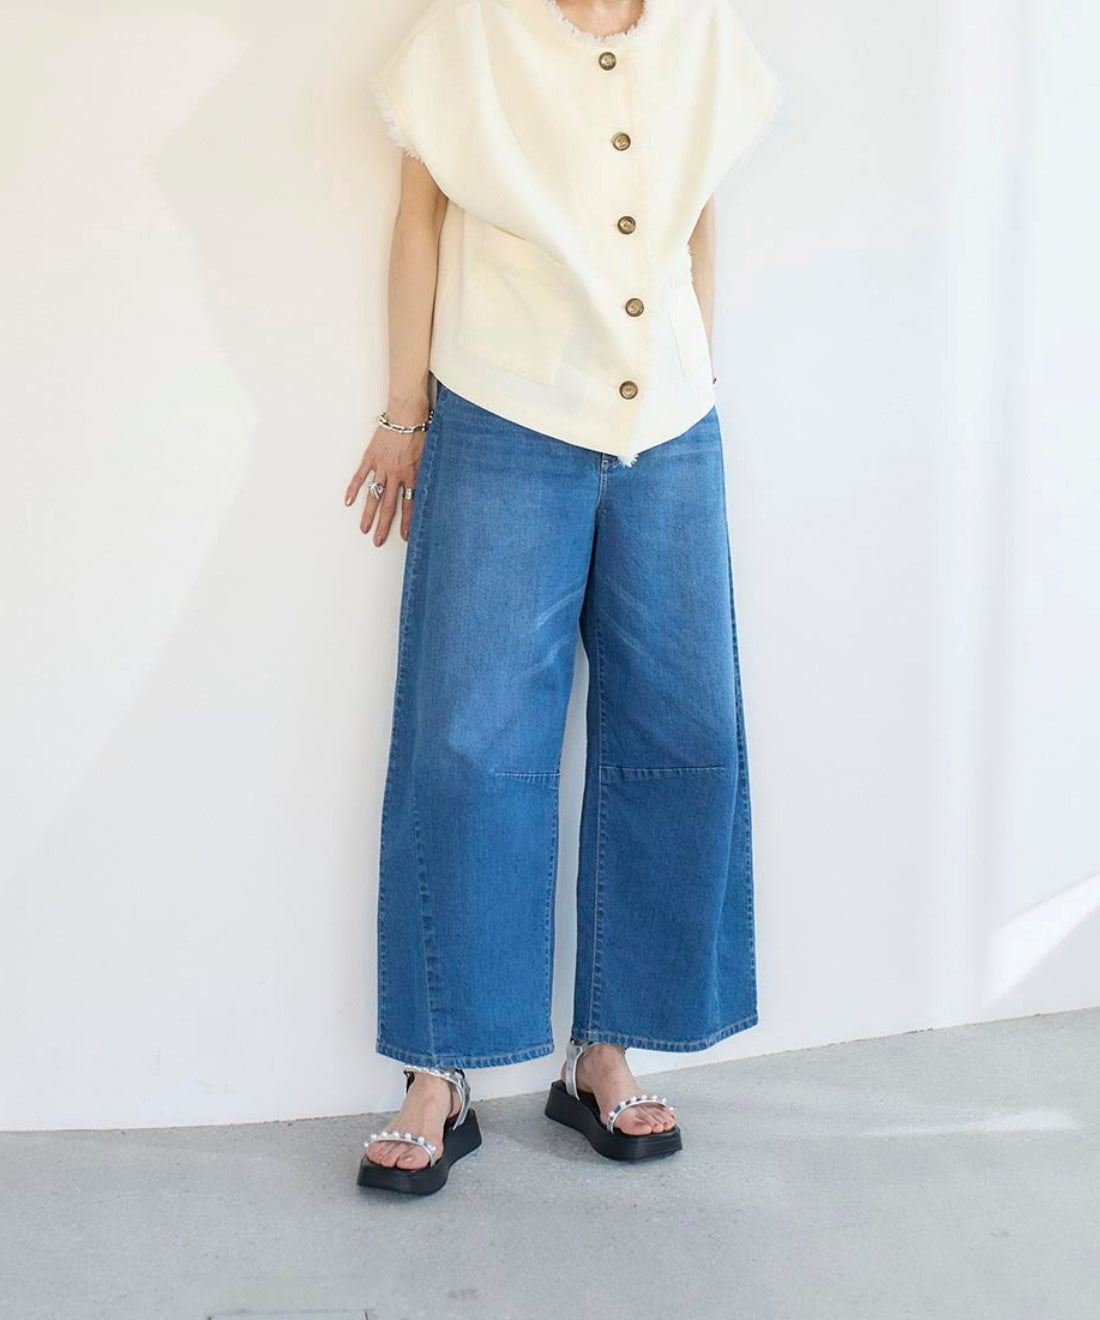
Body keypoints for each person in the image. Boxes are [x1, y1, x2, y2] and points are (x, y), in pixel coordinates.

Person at [347, 0, 781, 1196]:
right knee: (467, 744)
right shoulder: (471, 29)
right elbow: (418, 219)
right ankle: (437, 1073)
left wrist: (696, 378)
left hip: (671, 425)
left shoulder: (698, 31)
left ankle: (605, 1052)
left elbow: (693, 220)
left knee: (681, 731)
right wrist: (404, 412)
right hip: (502, 414)